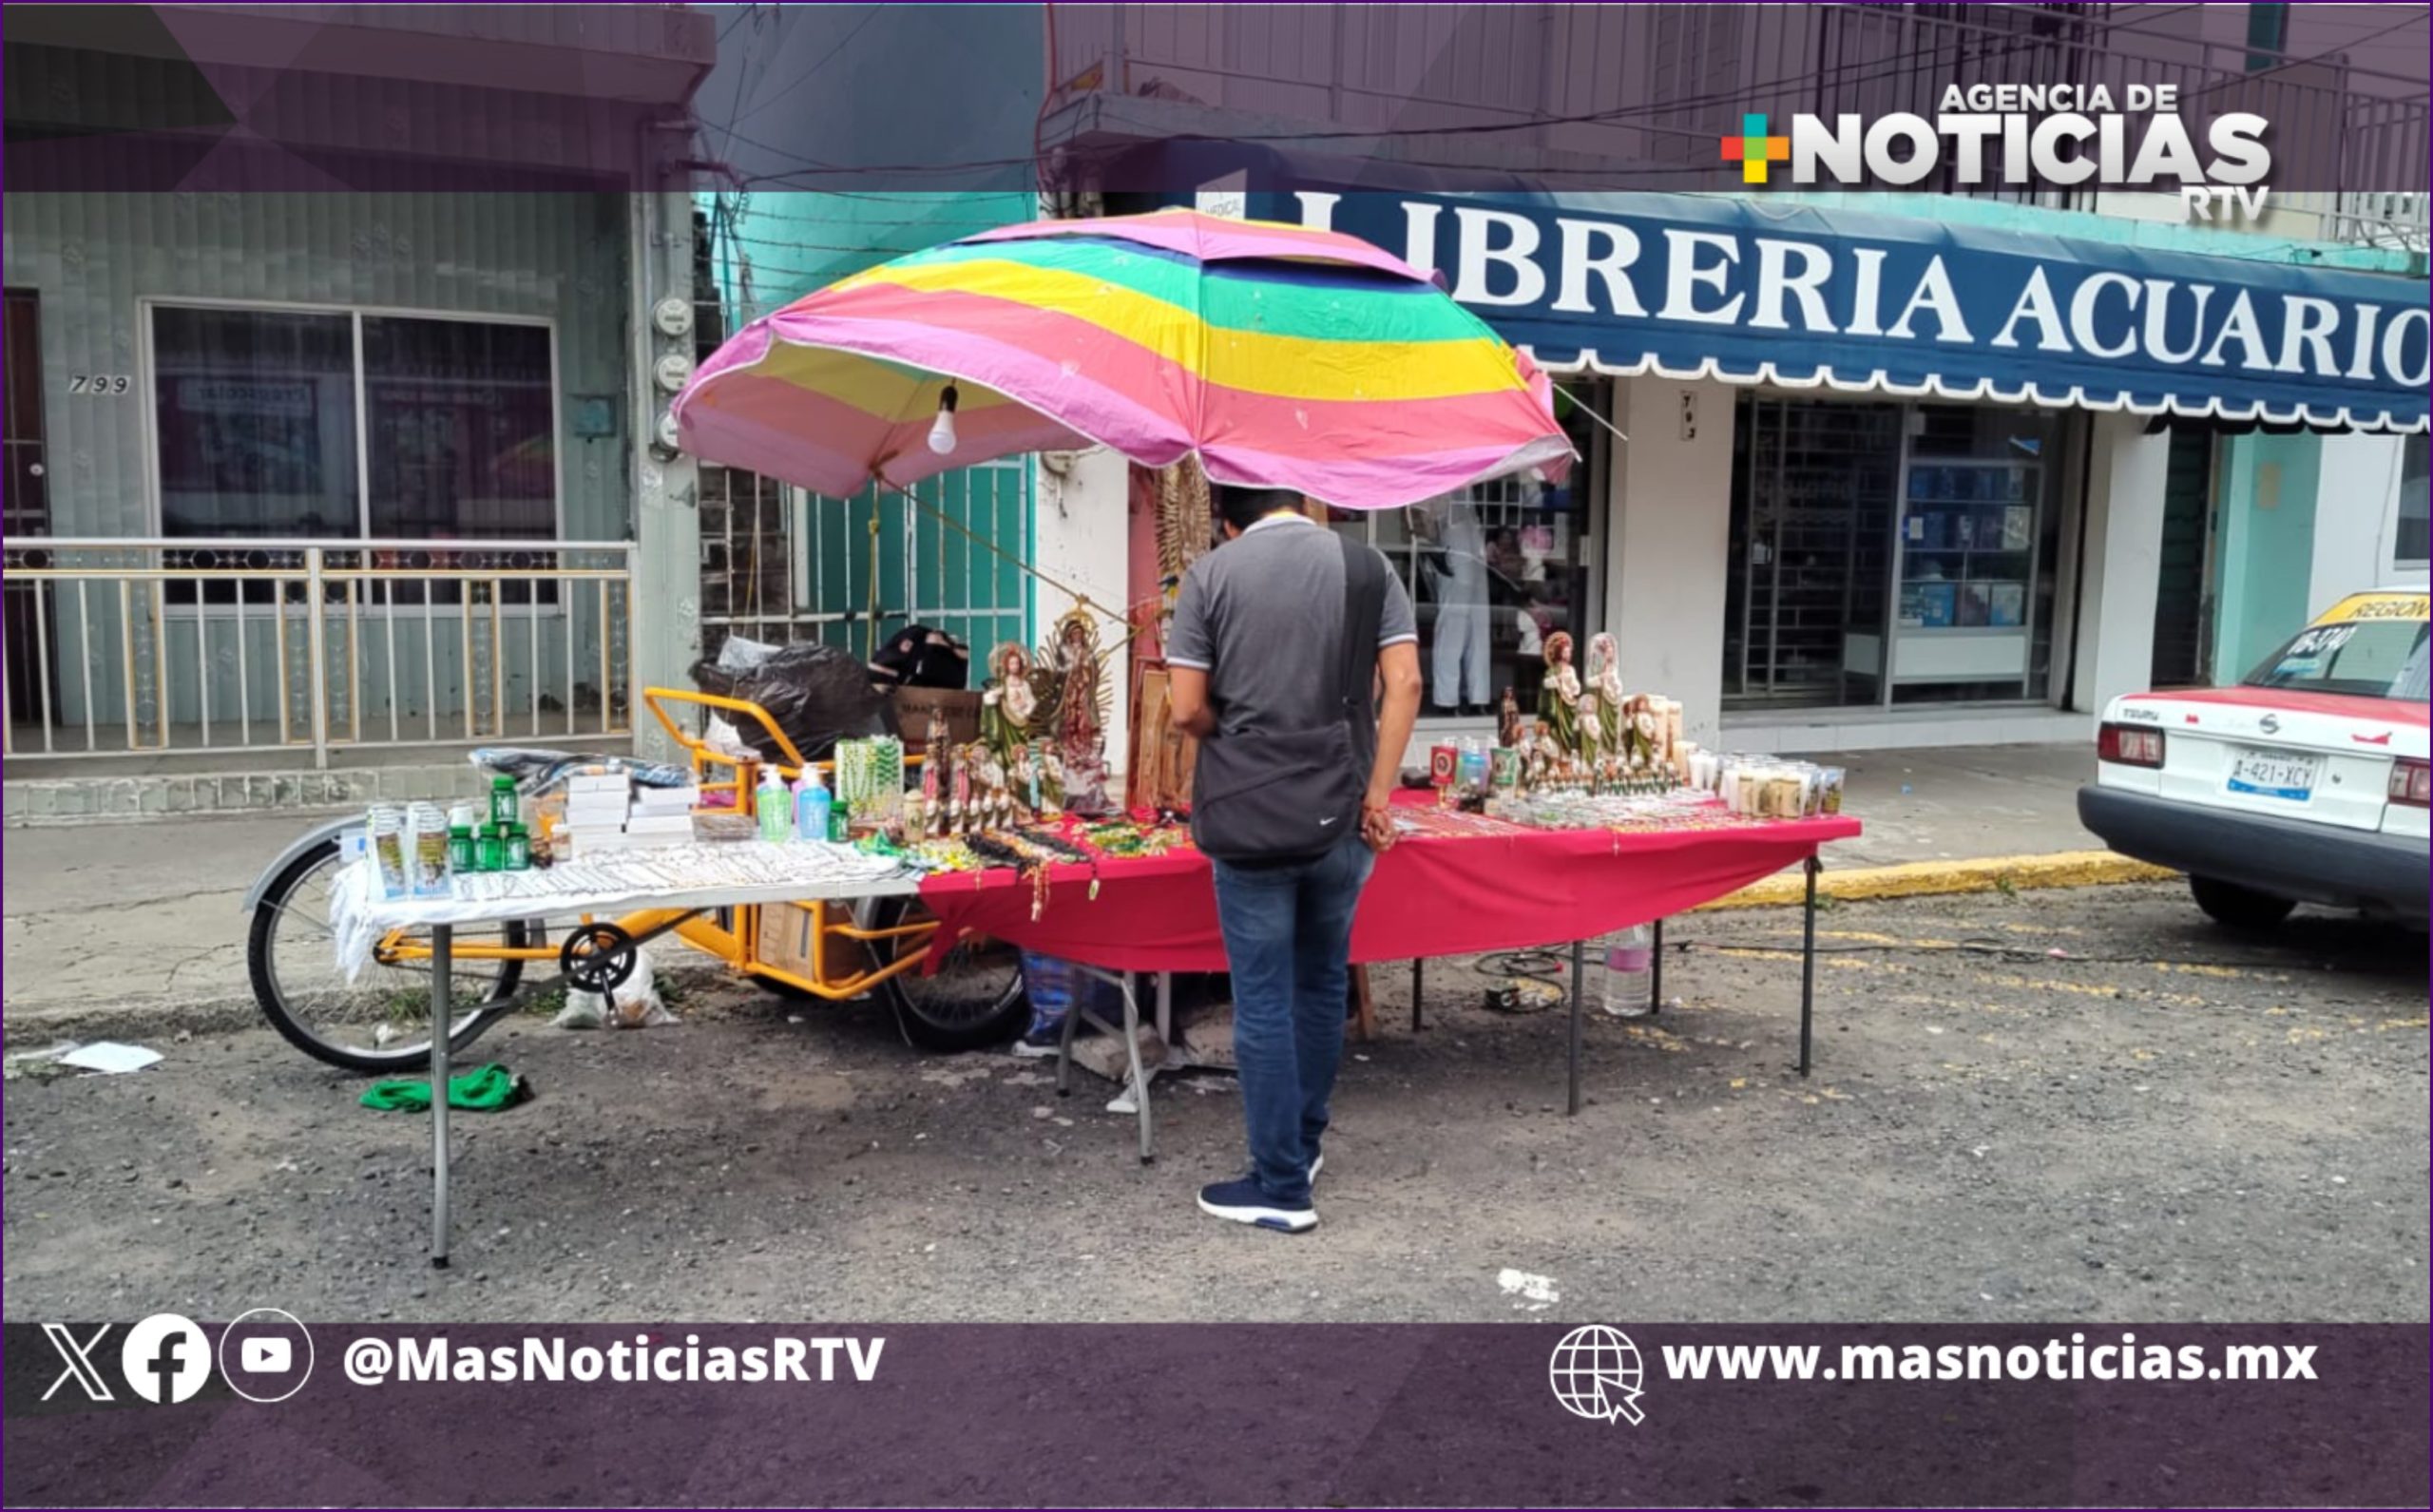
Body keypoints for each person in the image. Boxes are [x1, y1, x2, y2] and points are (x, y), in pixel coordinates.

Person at [1166, 486, 1424, 1233]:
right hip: (1342, 812)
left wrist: (1233, 726)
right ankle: (1303, 1147)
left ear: (1228, 517)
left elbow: (1185, 709)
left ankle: (1280, 1187)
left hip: (1248, 815)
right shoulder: (1369, 566)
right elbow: (1404, 682)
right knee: (1319, 984)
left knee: (1263, 996)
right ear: (1302, 502)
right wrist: (1378, 795)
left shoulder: (1210, 575)